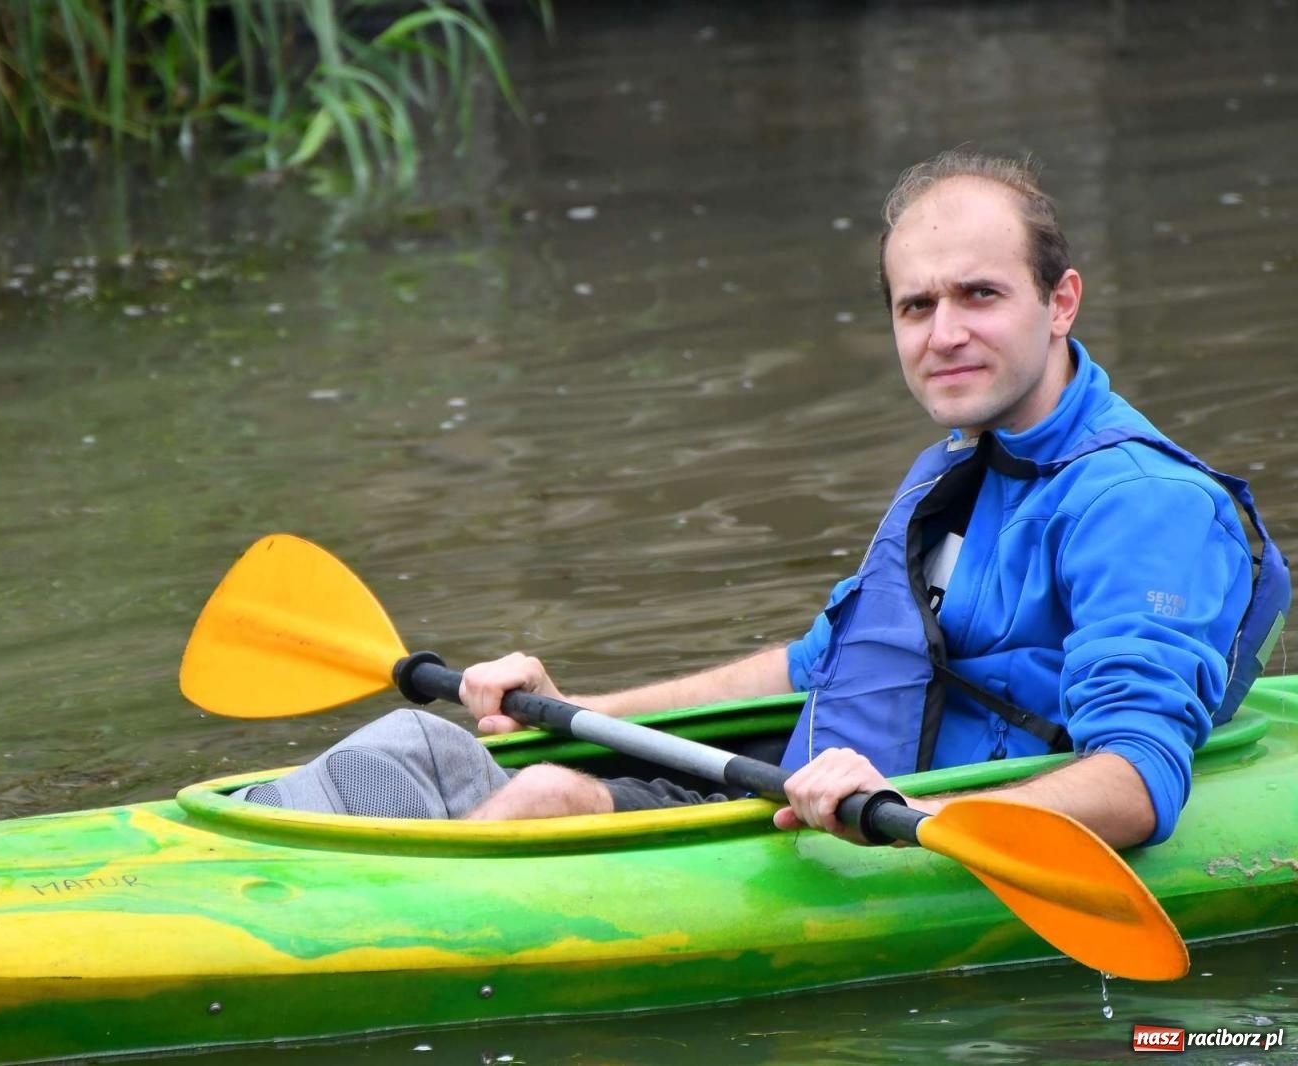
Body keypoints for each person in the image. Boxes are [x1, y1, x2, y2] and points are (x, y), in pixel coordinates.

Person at [244, 150, 1288, 849]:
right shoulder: (954, 469)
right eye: (915, 305)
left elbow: (1137, 786)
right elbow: (816, 663)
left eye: (979, 294)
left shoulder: (1140, 505)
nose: (943, 333)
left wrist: (905, 808)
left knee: (532, 806)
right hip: (809, 791)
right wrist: (587, 708)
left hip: (890, 827)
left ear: (1059, 302)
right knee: (435, 750)